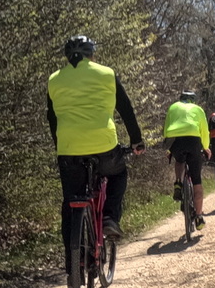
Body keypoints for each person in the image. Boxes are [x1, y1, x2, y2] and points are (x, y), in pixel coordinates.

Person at [46, 36, 143, 274]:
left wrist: (61, 145)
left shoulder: (54, 80)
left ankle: (72, 263)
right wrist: (137, 141)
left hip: (68, 149)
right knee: (118, 174)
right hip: (104, 145)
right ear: (92, 54)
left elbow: (52, 118)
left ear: (67, 57)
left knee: (70, 203)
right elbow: (126, 109)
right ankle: (109, 217)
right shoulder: (107, 74)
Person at [163, 90, 210, 225]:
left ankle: (178, 182)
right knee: (197, 180)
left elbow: (166, 128)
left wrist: (168, 148)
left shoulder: (173, 107)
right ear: (193, 100)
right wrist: (205, 147)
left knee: (179, 160)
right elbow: (204, 130)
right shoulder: (197, 109)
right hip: (193, 139)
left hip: (174, 138)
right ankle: (199, 217)